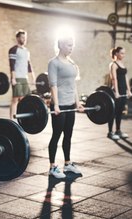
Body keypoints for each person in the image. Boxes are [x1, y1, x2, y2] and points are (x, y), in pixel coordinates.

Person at [47, 34, 84, 179]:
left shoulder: (71, 62)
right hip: (59, 106)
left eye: (72, 44)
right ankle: (52, 167)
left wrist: (78, 102)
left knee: (68, 135)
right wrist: (56, 104)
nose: (71, 47)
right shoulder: (53, 63)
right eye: (69, 45)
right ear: (61, 45)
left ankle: (67, 164)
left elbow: (73, 85)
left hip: (70, 105)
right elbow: (53, 85)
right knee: (56, 135)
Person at [8, 29, 35, 119]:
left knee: (24, 99)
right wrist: (13, 78)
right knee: (15, 99)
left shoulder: (27, 51)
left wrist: (33, 77)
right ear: (18, 38)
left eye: (25, 37)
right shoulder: (13, 50)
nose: (24, 39)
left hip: (24, 78)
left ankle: (21, 118)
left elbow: (29, 65)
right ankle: (11, 119)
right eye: (22, 37)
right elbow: (12, 65)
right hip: (17, 77)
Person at [107, 47, 131, 140]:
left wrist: (129, 90)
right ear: (116, 54)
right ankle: (110, 132)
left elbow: (126, 78)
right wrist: (116, 92)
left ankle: (118, 130)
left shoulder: (122, 64)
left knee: (119, 112)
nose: (123, 55)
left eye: (124, 53)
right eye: (121, 53)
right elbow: (114, 79)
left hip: (123, 90)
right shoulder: (113, 64)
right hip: (116, 91)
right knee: (113, 112)